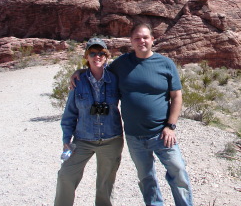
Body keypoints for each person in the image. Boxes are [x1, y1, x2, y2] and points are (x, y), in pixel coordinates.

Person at [71, 24, 193, 206]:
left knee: (178, 171)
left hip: (162, 133)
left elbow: (176, 97)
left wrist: (170, 126)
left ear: (152, 40)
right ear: (131, 41)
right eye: (137, 38)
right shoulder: (121, 64)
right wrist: (81, 71)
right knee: (146, 177)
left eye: (145, 37)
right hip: (134, 135)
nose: (141, 41)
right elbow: (99, 71)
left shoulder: (165, 64)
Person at [55, 38, 123, 206]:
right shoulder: (78, 81)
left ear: (106, 56)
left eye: (101, 53)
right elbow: (70, 114)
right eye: (93, 53)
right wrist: (66, 140)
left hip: (111, 139)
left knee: (105, 185)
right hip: (83, 139)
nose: (97, 56)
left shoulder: (115, 79)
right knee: (66, 175)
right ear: (86, 57)